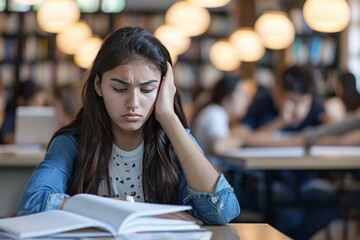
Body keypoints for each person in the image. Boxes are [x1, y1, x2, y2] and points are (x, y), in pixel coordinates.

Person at [16, 27, 240, 225]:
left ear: (164, 89)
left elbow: (222, 211)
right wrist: (136, 213)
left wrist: (169, 117)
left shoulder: (175, 142)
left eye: (146, 90)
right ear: (98, 85)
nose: (133, 103)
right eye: (120, 89)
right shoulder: (72, 142)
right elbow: (32, 203)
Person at [240, 65, 338, 240]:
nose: (299, 110)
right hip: (266, 181)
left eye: (304, 103)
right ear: (277, 92)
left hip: (304, 182)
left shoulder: (316, 109)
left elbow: (333, 137)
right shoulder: (262, 104)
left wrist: (332, 124)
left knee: (331, 201)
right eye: (293, 101)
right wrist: (281, 122)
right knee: (291, 213)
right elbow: (247, 139)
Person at [192, 75, 253, 169]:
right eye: (242, 94)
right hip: (209, 177)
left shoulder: (213, 111)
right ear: (227, 96)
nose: (247, 100)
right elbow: (218, 146)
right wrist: (243, 139)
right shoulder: (216, 113)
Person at [0, 80, 47, 144]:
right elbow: (7, 138)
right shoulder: (12, 115)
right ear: (21, 101)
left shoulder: (38, 116)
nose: (37, 107)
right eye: (33, 102)